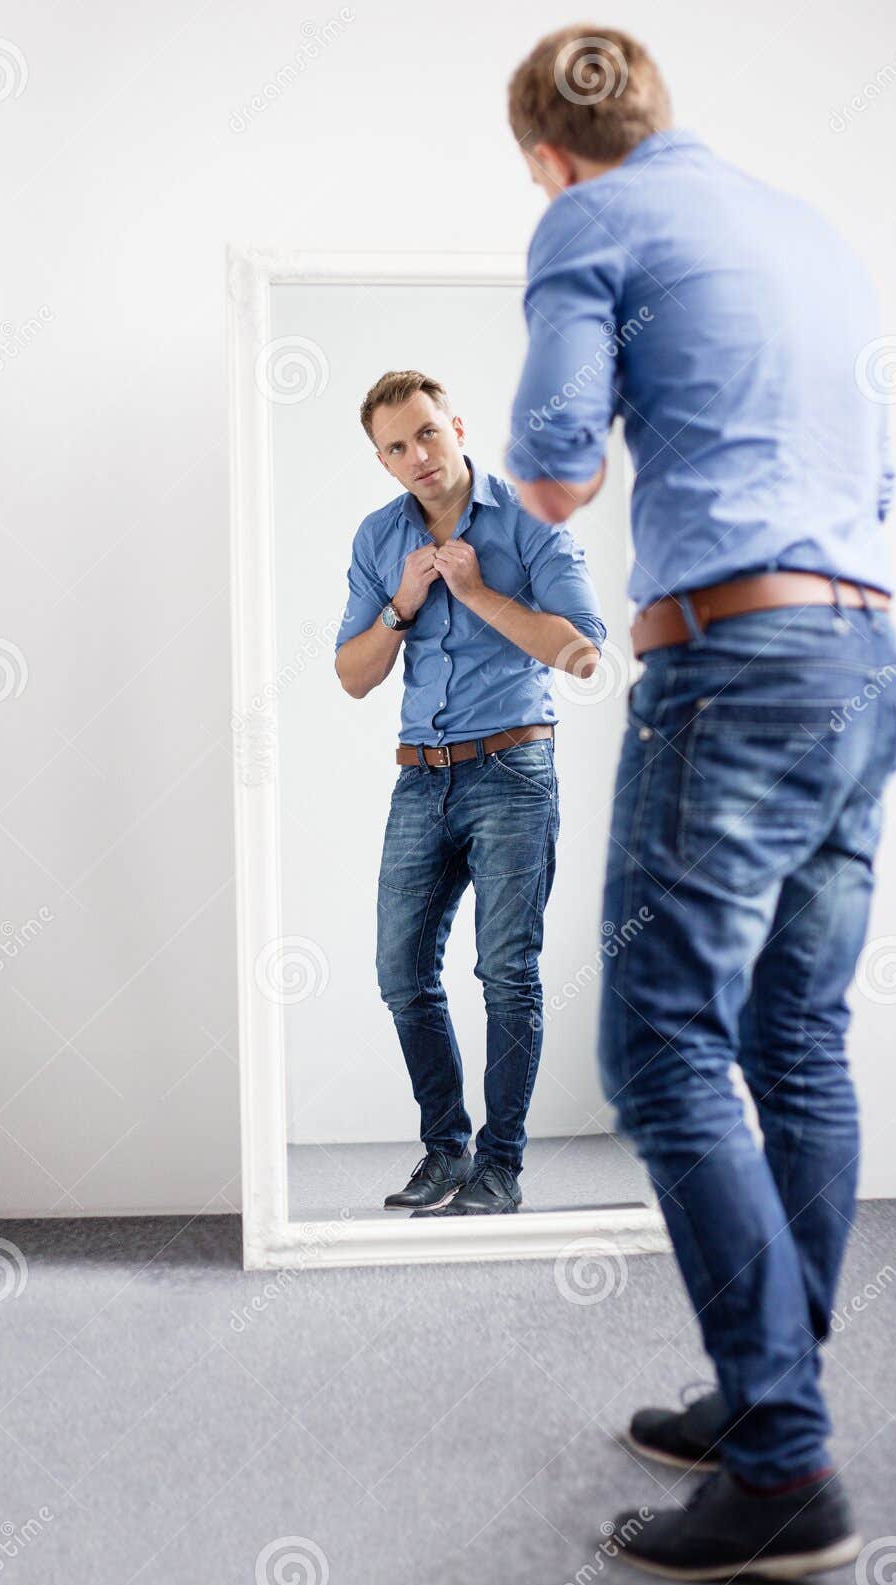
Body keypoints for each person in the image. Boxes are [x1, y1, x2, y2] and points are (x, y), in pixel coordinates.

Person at [504, 25, 896, 1580]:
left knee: (660, 1039)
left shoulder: (583, 220)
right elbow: (872, 484)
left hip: (728, 665)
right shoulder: (803, 229)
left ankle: (782, 1466)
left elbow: (551, 465)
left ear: (545, 153)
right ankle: (768, 1400)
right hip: (861, 657)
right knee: (793, 1036)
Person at [334, 370, 607, 1216]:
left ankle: (501, 1166)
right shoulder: (379, 540)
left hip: (512, 774)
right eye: (395, 447)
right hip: (420, 777)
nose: (417, 455)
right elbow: (351, 676)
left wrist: (479, 591)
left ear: (455, 424)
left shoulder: (529, 522)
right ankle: (445, 1152)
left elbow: (584, 654)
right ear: (381, 462)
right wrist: (403, 604)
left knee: (506, 973)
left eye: (425, 433)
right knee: (399, 973)